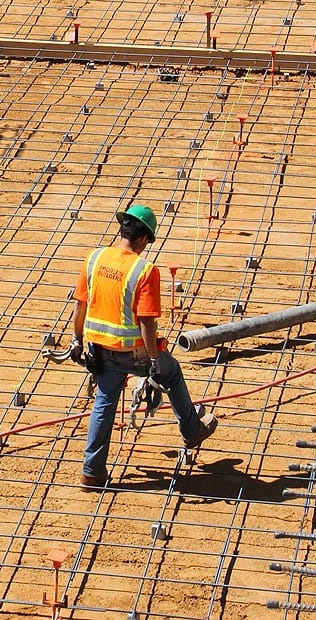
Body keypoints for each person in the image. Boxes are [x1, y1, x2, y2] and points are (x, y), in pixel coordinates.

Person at [70, 204, 218, 490]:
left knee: (104, 401)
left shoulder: (94, 258)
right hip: (134, 353)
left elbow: (80, 305)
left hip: (98, 350)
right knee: (171, 372)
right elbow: (147, 324)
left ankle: (92, 471)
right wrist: (155, 361)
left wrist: (76, 341)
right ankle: (191, 429)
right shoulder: (144, 270)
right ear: (142, 239)